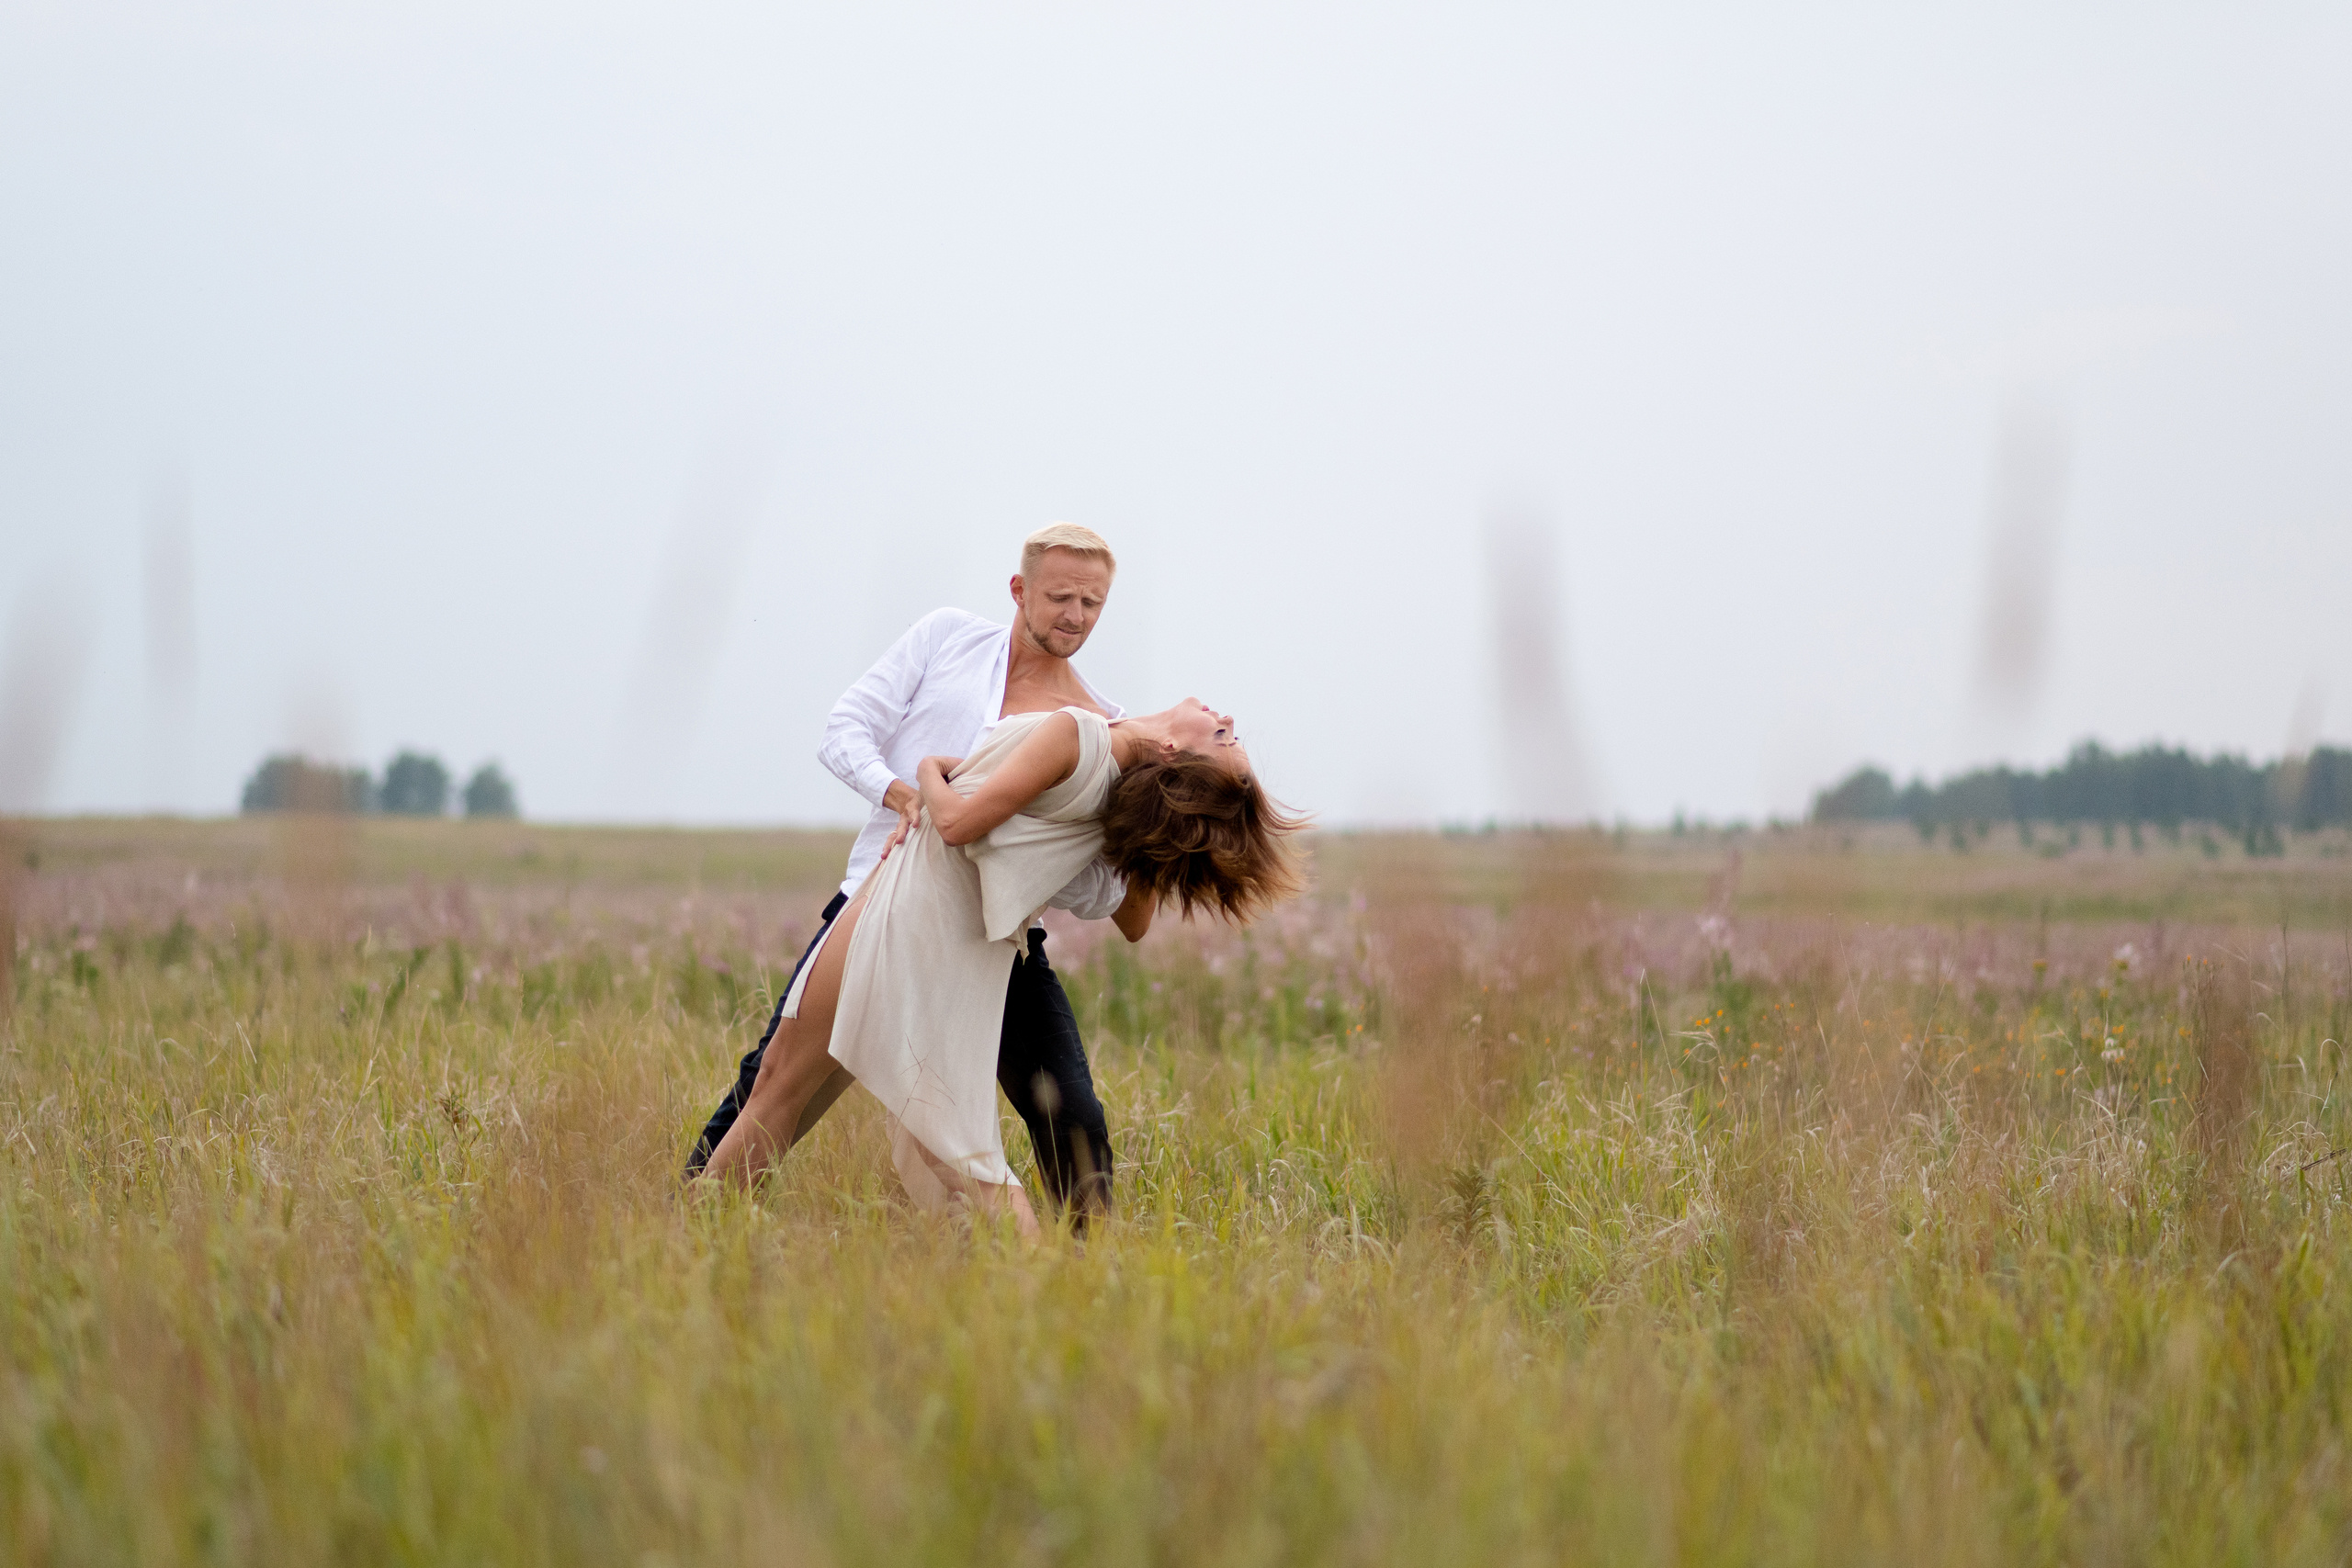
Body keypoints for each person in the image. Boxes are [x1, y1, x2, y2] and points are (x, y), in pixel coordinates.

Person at [694, 694, 1304, 1228]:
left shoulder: (1081, 736)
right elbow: (1133, 918)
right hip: (959, 942)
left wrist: (928, 770)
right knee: (828, 1102)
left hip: (909, 914)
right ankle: (694, 1228)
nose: (1226, 718)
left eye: (1224, 736)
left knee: (796, 1095)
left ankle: (690, 1229)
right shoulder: (1110, 782)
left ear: (1171, 749)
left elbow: (955, 823)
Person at [684, 524, 1132, 1213]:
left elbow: (1094, 886)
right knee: (772, 1081)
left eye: (1092, 604)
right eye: (1061, 597)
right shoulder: (947, 637)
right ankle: (691, 1220)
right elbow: (844, 730)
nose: (1075, 616)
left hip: (998, 940)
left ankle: (1092, 1272)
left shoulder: (1098, 721)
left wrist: (1008, 842)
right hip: (876, 903)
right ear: (1020, 590)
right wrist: (902, 793)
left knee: (1071, 1110)